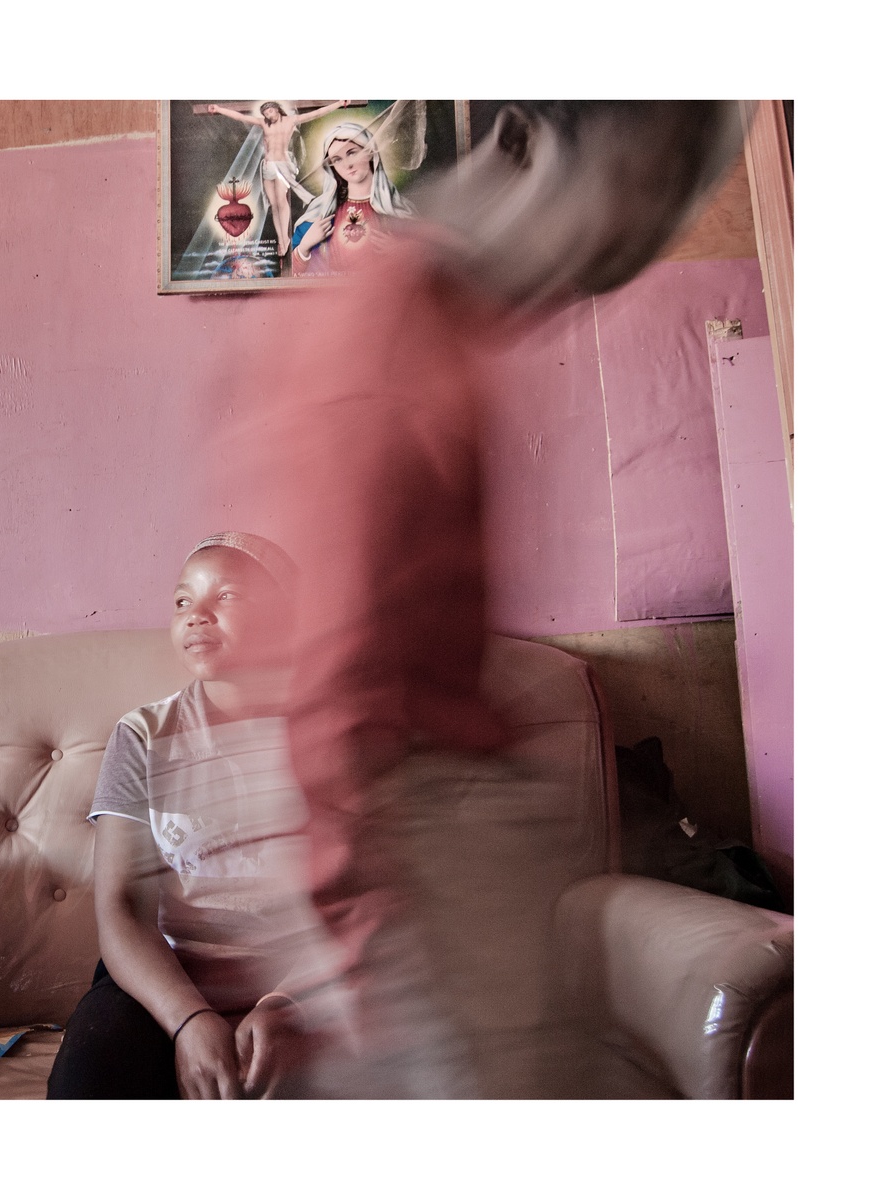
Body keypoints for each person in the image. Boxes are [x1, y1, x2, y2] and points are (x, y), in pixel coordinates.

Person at [211, 101, 749, 1095]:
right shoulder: (389, 341)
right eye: (616, 210)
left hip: (447, 818)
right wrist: (363, 904)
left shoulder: (432, 324)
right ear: (524, 149)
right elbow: (347, 644)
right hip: (421, 839)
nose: (603, 264)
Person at [46, 532, 347, 1100]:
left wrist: (290, 1003)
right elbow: (121, 908)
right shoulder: (144, 736)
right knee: (91, 1075)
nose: (195, 617)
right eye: (183, 602)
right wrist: (188, 1020)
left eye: (225, 597)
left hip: (308, 975)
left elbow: (362, 896)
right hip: (170, 976)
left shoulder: (331, 736)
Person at [207, 101, 349, 256]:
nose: (268, 115)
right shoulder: (264, 123)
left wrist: (339, 103)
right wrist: (219, 109)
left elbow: (317, 113)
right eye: (265, 114)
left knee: (281, 200)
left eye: (270, 112)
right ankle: (281, 239)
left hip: (283, 166)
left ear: (277, 109)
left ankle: (286, 238)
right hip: (268, 166)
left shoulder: (291, 121)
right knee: (273, 205)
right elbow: (241, 117)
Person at [291, 119, 415, 276]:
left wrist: (404, 252)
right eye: (337, 159)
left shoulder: (398, 210)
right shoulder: (320, 213)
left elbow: (432, 264)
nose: (347, 165)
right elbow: (288, 272)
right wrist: (304, 246)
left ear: (370, 152)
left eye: (352, 153)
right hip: (334, 297)